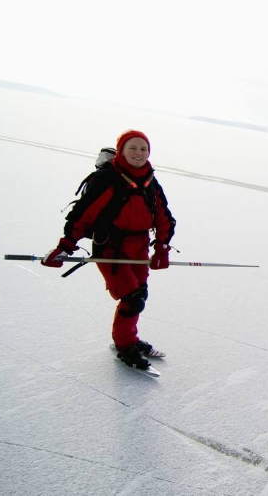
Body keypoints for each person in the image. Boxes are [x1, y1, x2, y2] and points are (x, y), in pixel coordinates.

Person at [41, 130, 176, 370]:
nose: (138, 153)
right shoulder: (109, 179)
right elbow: (82, 216)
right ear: (122, 150)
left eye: (143, 149)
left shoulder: (150, 182)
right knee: (132, 298)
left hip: (139, 248)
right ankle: (125, 346)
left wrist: (162, 249)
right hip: (110, 248)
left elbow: (164, 218)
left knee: (139, 295)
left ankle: (129, 338)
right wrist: (64, 248)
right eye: (133, 148)